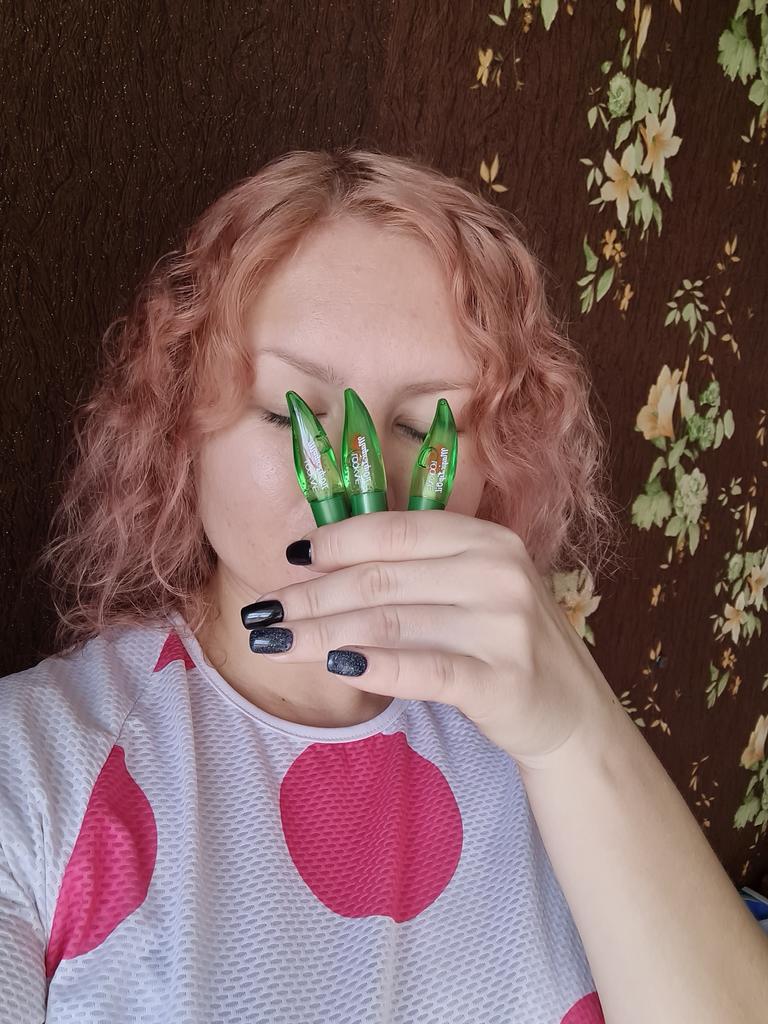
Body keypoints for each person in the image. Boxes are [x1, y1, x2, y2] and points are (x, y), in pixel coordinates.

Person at [1, 148, 765, 1024]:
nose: (359, 483)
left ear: (498, 464)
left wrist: (574, 733)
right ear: (183, 423)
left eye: (421, 425)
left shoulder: (537, 740)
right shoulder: (36, 770)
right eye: (289, 411)